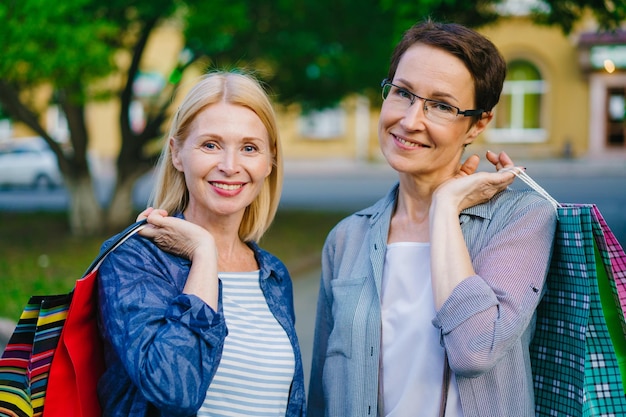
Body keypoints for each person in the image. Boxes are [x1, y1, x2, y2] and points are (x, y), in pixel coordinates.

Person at [307, 20, 558, 417]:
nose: (410, 121)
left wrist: (444, 208)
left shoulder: (522, 220)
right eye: (403, 93)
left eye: (441, 105)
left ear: (477, 124)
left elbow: (474, 351)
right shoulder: (346, 239)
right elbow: (321, 393)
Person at [97, 71, 306, 416]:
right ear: (177, 154)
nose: (229, 166)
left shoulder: (273, 275)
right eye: (210, 145)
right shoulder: (134, 261)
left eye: (249, 148)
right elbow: (174, 389)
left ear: (270, 162)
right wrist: (204, 254)